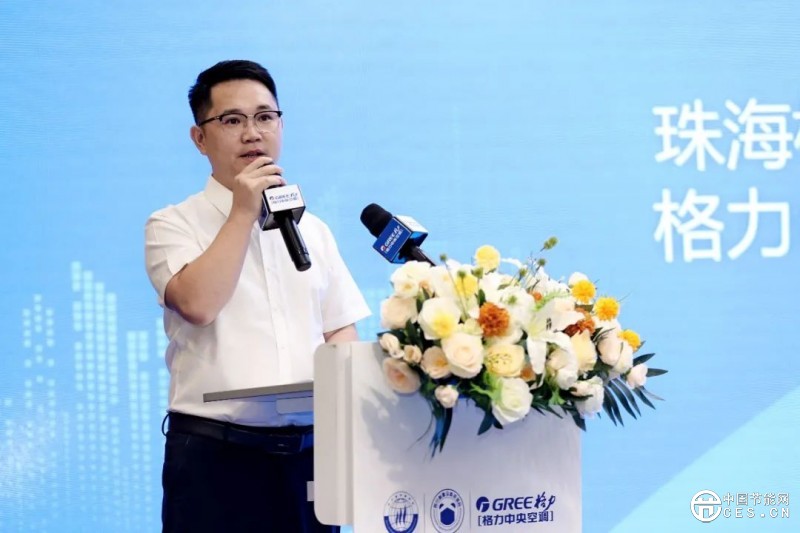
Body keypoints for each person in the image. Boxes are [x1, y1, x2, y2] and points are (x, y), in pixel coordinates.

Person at [144, 59, 370, 532]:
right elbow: (198, 304)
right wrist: (243, 212)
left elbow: (339, 330)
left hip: (311, 455)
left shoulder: (313, 229)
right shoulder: (172, 224)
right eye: (233, 120)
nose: (252, 133)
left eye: (265, 117)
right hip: (217, 458)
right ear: (199, 138)